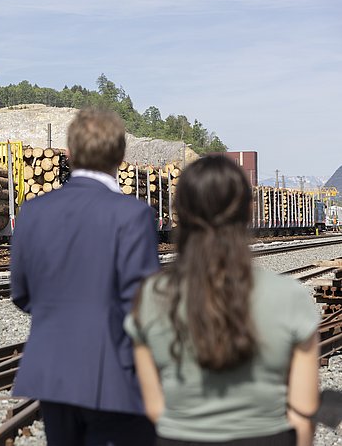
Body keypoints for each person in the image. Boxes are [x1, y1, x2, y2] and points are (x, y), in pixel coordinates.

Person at [125, 155, 320, 446]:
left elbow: (153, 407)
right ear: (248, 213)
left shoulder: (152, 296)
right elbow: (302, 413)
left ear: (181, 213)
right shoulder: (291, 296)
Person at [10, 107, 160, 446]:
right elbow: (143, 306)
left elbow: (21, 292)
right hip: (114, 374)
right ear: (121, 155)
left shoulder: (33, 211)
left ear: (69, 154)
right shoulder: (133, 215)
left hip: (52, 370)